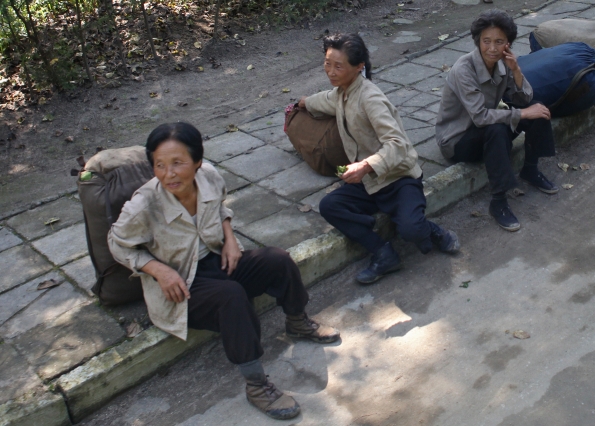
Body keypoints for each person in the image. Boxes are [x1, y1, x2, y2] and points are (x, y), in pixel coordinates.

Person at [108, 122, 340, 420]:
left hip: (218, 259)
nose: (169, 173)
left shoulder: (208, 177)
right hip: (182, 283)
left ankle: (297, 321)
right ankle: (257, 385)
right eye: (159, 165)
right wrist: (158, 270)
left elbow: (220, 207)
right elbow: (117, 244)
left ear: (197, 162)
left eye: (178, 163)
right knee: (231, 296)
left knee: (278, 259)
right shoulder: (144, 204)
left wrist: (229, 237)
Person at [299, 33, 460, 285]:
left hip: (398, 178)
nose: (330, 71)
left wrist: (365, 165)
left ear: (358, 67)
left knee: (411, 229)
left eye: (338, 66)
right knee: (330, 206)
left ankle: (432, 231)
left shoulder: (370, 98)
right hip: (369, 183)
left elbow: (398, 145)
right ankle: (383, 252)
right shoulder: (341, 92)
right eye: (327, 64)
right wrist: (303, 103)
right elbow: (325, 100)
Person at [435, 9, 558, 232]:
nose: (492, 48)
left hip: (484, 130)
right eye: (486, 41)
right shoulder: (464, 69)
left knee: (538, 108)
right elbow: (481, 116)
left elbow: (525, 99)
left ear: (508, 44)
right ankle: (498, 200)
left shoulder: (503, 63)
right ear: (478, 41)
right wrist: (521, 114)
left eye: (499, 41)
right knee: (499, 129)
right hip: (458, 140)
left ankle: (530, 169)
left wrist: (516, 71)